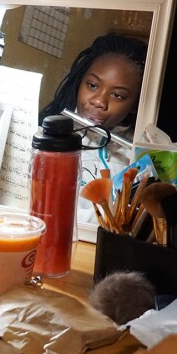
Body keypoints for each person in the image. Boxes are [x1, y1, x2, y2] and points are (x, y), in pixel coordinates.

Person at [39, 33, 148, 224]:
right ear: (79, 82)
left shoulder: (140, 153)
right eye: (92, 85)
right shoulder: (48, 138)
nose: (99, 101)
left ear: (134, 104)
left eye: (118, 95)